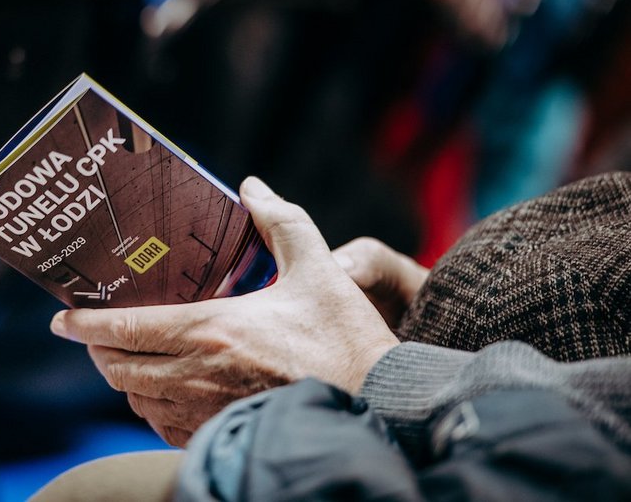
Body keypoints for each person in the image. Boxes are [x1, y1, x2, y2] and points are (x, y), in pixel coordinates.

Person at [34, 173, 631, 500]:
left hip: (445, 452)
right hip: (436, 379)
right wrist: (426, 296)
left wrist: (367, 371)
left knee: (94, 492)